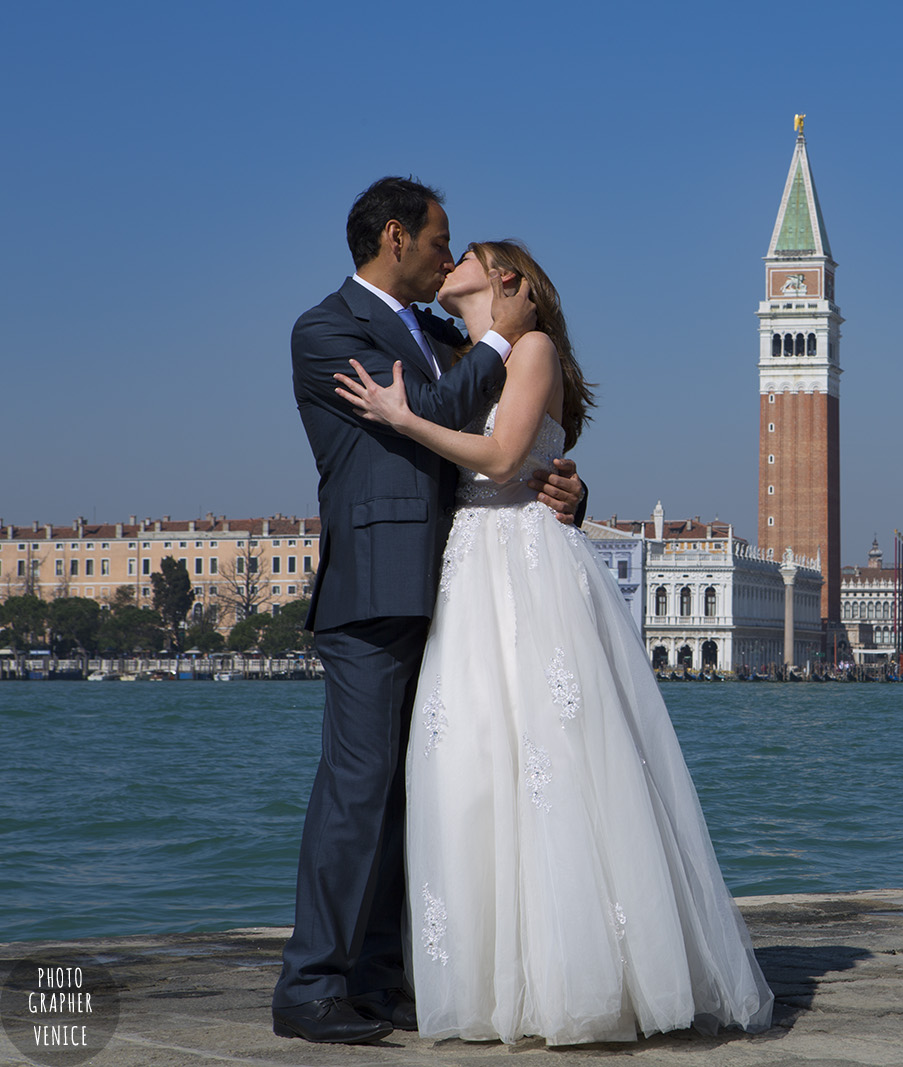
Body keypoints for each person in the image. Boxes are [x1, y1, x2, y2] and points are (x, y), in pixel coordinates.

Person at [335, 240, 773, 1046]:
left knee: (551, 762)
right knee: (469, 767)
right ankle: (487, 978)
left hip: (522, 566)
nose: (451, 258)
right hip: (470, 572)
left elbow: (506, 458)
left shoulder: (529, 347)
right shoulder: (451, 349)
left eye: (465, 252)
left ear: (511, 280)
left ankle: (573, 975)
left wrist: (403, 416)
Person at [273, 179, 587, 1045]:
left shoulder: (446, 334)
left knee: (419, 792)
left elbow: (504, 435)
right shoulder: (325, 330)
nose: (449, 258)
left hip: (458, 586)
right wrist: (494, 336)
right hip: (374, 586)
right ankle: (309, 984)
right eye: (439, 241)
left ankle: (378, 977)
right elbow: (428, 416)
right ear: (394, 236)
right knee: (358, 785)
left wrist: (563, 483)